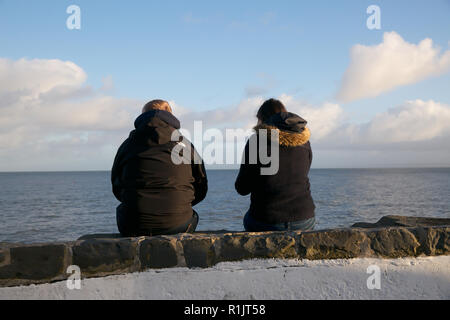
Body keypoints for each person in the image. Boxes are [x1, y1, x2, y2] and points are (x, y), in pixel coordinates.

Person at [111, 99, 207, 236]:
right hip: (177, 224)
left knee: (122, 211)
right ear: (171, 116)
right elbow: (201, 186)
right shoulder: (185, 145)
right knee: (192, 215)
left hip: (133, 226)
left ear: (143, 116)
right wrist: (180, 204)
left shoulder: (128, 145)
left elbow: (116, 185)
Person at [235, 98, 315, 232]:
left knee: (248, 219)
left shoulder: (257, 141)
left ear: (262, 119)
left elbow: (242, 188)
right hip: (304, 219)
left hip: (267, 220)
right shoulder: (304, 142)